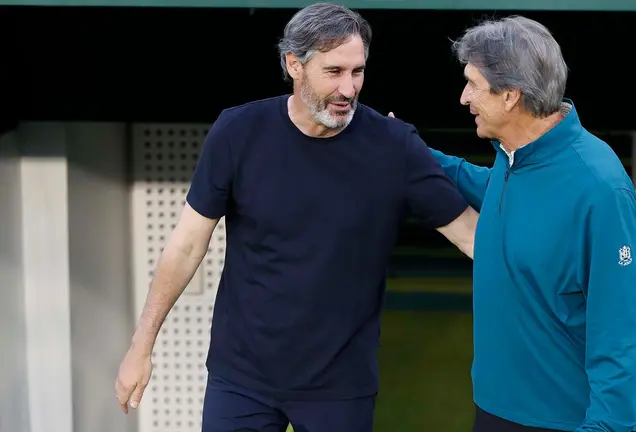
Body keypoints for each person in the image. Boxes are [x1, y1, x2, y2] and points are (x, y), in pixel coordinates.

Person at [114, 3, 478, 432]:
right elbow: (187, 244)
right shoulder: (237, 131)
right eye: (334, 71)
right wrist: (141, 345)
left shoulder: (393, 146)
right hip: (241, 377)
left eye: (357, 71)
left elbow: (472, 237)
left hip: (340, 385)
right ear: (294, 65)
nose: (349, 88)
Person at [393, 15, 636, 432]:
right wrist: (412, 151)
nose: (464, 97)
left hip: (557, 422)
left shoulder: (599, 189)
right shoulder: (514, 154)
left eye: (473, 84)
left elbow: (622, 335)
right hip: (493, 410)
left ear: (510, 95)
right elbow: (500, 192)